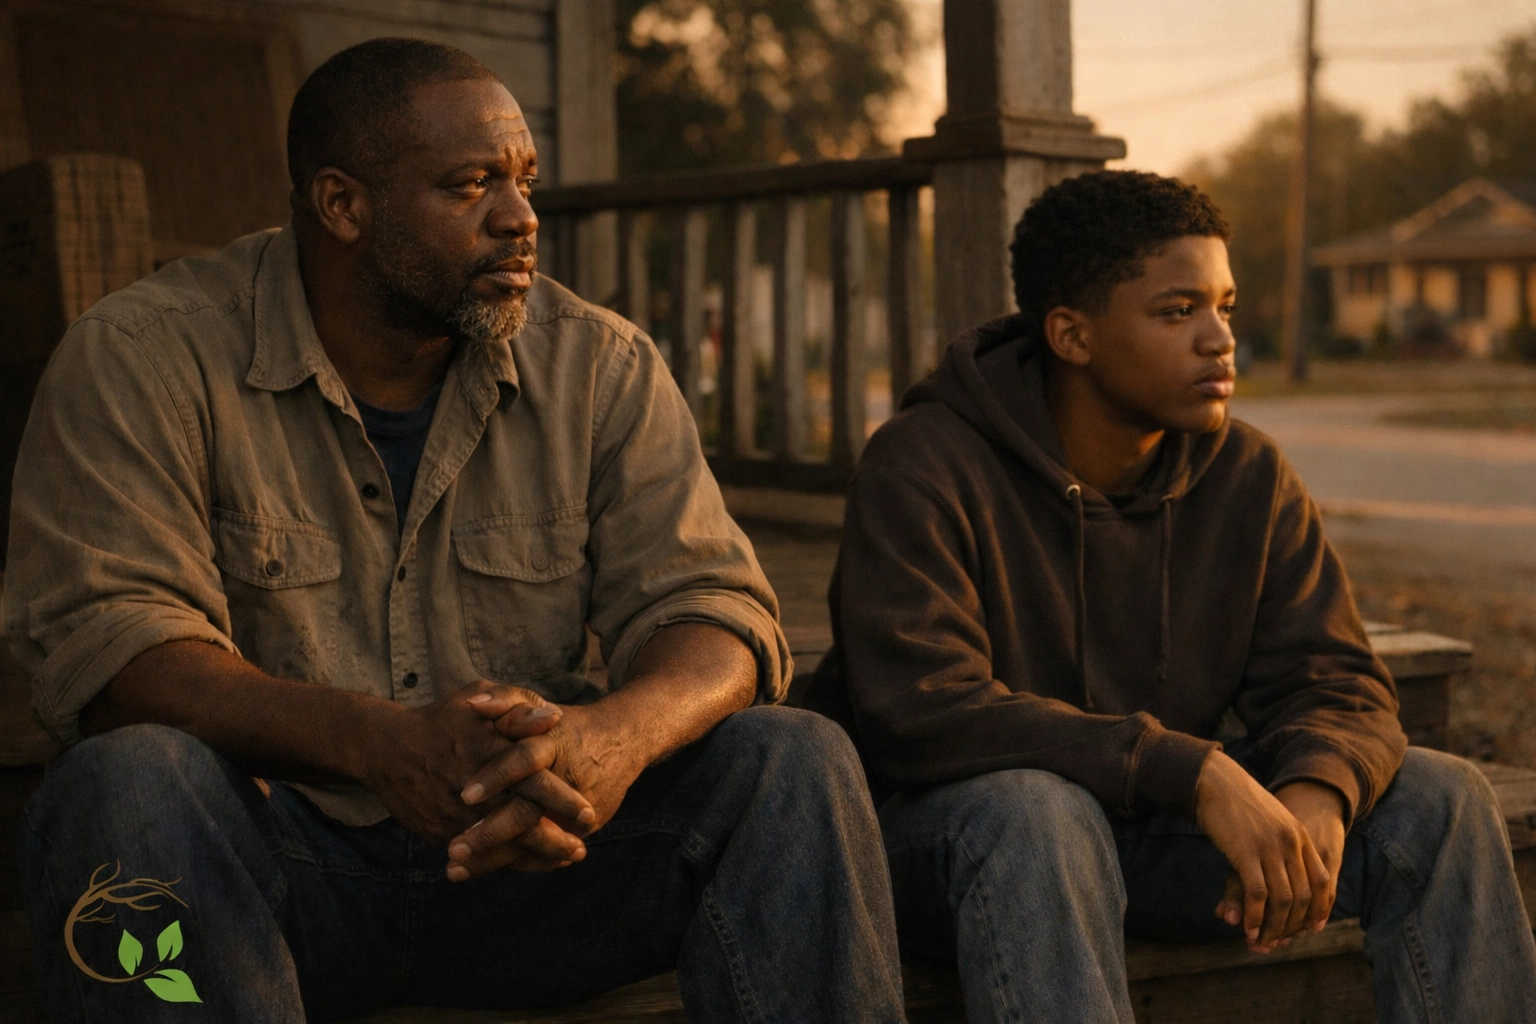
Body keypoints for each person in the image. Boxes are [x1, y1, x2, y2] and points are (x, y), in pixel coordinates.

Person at [8, 37, 906, 1023]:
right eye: (472, 184)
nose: (521, 218)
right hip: (281, 876)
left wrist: (609, 738)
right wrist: (382, 745)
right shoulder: (145, 354)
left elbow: (716, 609)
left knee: (793, 757)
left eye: (523, 180)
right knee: (126, 779)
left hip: (538, 867)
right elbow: (116, 652)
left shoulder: (599, 365)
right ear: (343, 206)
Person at [809, 170, 1536, 1023]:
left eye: (1226, 306)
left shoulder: (1248, 476)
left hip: (1153, 835)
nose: (1220, 339)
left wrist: (1320, 788)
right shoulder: (923, 465)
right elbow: (921, 711)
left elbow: (1338, 678)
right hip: (949, 847)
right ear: (1073, 336)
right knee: (1038, 813)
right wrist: (1192, 772)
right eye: (1179, 310)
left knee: (1441, 800)